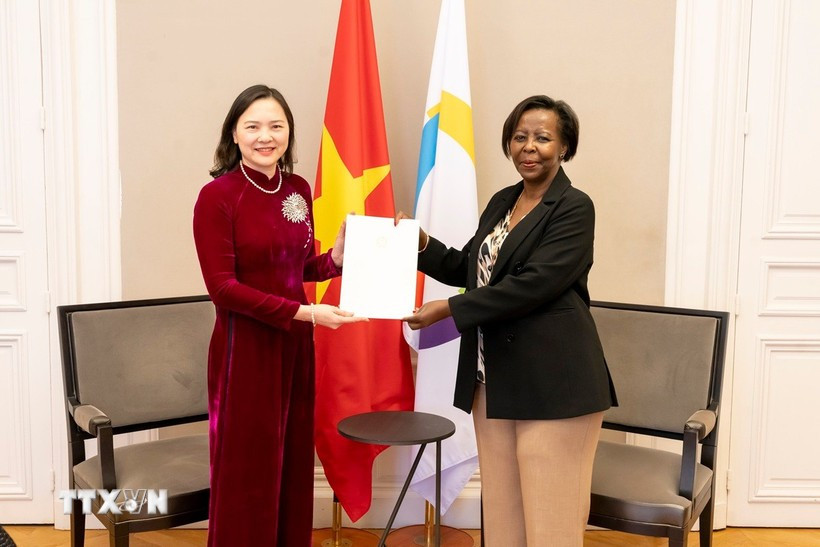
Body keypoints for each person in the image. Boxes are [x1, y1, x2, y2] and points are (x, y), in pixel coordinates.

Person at [399, 95, 617, 546]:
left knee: (550, 521)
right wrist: (421, 244)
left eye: (543, 137)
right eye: (520, 137)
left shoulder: (575, 207)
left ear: (564, 147)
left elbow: (534, 285)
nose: (529, 147)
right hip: (492, 380)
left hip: (556, 385)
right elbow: (470, 267)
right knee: (502, 515)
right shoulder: (504, 200)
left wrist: (451, 310)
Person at [193, 84, 365, 547]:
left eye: (276, 126)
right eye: (253, 126)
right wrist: (304, 313)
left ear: (289, 132)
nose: (265, 136)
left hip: (294, 347)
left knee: (291, 464)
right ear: (234, 133)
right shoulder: (217, 196)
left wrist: (339, 258)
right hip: (242, 353)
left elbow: (301, 267)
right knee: (247, 471)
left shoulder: (297, 189)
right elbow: (223, 289)